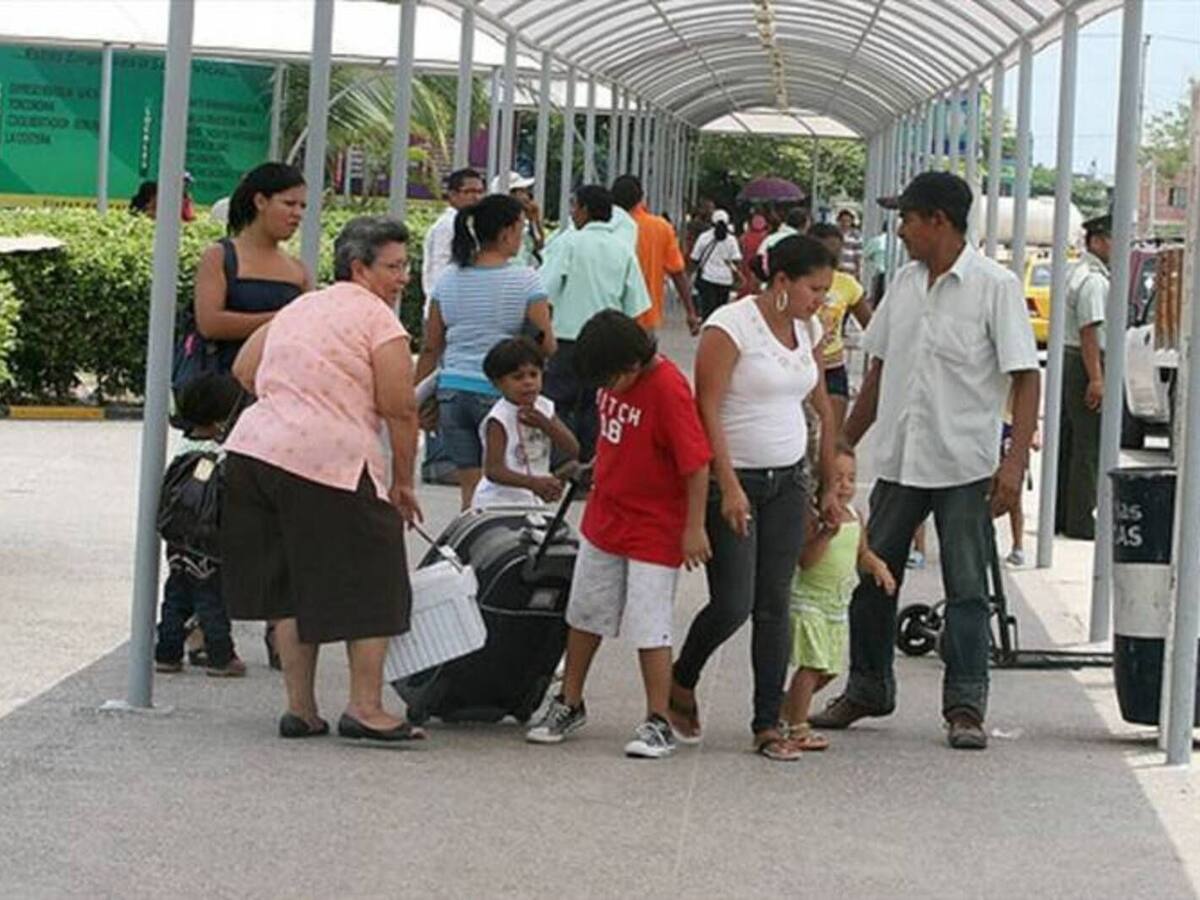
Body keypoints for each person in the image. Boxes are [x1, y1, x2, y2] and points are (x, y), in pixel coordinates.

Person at [814, 172, 1040, 750]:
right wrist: (845, 442)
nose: (901, 229)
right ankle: (868, 688)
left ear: (938, 220)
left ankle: (965, 706)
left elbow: (1025, 376)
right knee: (868, 577)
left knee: (967, 590)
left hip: (964, 465)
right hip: (901, 461)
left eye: (908, 218)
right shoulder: (905, 286)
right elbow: (880, 371)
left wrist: (1012, 467)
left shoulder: (995, 286)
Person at [221, 216, 425, 743]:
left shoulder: (300, 306)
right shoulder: (380, 322)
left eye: (407, 266)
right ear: (360, 268)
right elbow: (400, 409)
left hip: (254, 453)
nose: (404, 277)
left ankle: (301, 709)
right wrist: (403, 485)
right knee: (377, 580)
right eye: (394, 267)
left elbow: (245, 368)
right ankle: (366, 707)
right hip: (329, 460)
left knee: (290, 584)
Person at [669, 235, 840, 763]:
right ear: (781, 281)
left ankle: (767, 723)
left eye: (826, 291)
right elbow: (708, 408)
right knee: (734, 602)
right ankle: (682, 677)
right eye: (814, 289)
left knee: (775, 606)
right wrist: (729, 484)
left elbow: (821, 408)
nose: (821, 301)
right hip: (735, 478)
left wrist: (828, 479)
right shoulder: (731, 326)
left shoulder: (808, 328)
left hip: (789, 481)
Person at [526, 311, 712, 758]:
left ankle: (657, 718)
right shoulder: (616, 383)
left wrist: (693, 526)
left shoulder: (667, 390)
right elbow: (618, 437)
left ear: (630, 366)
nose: (603, 391)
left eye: (608, 380)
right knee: (585, 612)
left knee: (650, 625)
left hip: (653, 526)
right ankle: (569, 701)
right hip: (607, 516)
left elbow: (696, 463)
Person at [415, 194, 555, 509]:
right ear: (506, 233)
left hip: (452, 392)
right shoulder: (525, 280)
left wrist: (418, 398)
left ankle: (467, 553)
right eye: (520, 229)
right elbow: (547, 345)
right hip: (498, 393)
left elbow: (431, 345)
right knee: (507, 490)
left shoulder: (447, 279)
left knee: (472, 492)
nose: (521, 237)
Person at [781, 447, 896, 749]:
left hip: (837, 604)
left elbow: (861, 552)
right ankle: (797, 725)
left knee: (829, 669)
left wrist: (878, 567)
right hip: (810, 601)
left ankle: (787, 706)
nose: (845, 485)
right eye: (837, 479)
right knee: (812, 664)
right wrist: (825, 535)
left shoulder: (856, 515)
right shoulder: (814, 516)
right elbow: (805, 560)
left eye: (851, 478)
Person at [539, 184, 651, 461]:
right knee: (598, 404)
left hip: (567, 339)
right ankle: (590, 465)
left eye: (574, 206)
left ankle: (562, 461)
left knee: (560, 404)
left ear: (585, 209)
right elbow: (635, 304)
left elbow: (544, 289)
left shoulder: (568, 243)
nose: (572, 212)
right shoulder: (622, 249)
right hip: (607, 342)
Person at [155, 372, 247, 678]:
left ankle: (167, 653)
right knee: (212, 601)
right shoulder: (220, 454)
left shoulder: (182, 450)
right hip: (208, 540)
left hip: (178, 538)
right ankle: (222, 656)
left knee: (176, 596)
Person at [193, 162, 310, 374]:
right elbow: (210, 324)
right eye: (289, 203)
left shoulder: (298, 269)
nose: (297, 214)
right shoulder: (220, 256)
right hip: (223, 384)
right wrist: (281, 320)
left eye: (302, 206)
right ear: (260, 201)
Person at [473, 337, 579, 509]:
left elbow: (573, 448)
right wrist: (533, 483)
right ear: (498, 383)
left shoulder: (544, 407)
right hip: (499, 503)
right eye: (518, 377)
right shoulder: (499, 418)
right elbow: (494, 470)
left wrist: (546, 425)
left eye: (534, 374)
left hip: (533, 502)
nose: (528, 382)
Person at [1055, 213, 1110, 541]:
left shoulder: (1076, 272)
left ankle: (1062, 514)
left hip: (1072, 360)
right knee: (1088, 445)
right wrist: (1097, 379)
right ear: (1099, 240)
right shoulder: (1094, 281)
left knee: (1071, 442)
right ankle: (1080, 520)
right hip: (1086, 362)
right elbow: (1089, 331)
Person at [611, 174, 700, 336]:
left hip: (607, 316)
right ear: (641, 197)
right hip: (645, 316)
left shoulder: (604, 226)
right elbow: (677, 272)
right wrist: (690, 312)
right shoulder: (660, 227)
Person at [809, 223, 874, 432]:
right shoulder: (795, 283)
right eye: (824, 254)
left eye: (835, 255)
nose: (831, 261)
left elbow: (871, 326)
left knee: (831, 436)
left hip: (832, 367)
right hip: (800, 366)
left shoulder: (847, 284)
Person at [422, 168, 486, 301]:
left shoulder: (469, 223)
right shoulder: (447, 225)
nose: (476, 197)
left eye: (480, 192)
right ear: (452, 194)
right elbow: (439, 268)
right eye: (469, 192)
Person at [689, 210, 742, 320]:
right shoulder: (731, 240)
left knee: (708, 311)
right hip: (725, 280)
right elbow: (737, 259)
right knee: (721, 313)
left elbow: (694, 258)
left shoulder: (704, 237)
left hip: (707, 278)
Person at [491, 172, 544, 267]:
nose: (527, 196)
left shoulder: (524, 220)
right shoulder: (497, 221)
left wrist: (534, 220)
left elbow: (539, 245)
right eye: (522, 191)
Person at [737, 212, 770, 297]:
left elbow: (740, 251)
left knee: (746, 284)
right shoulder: (766, 237)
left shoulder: (744, 237)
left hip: (746, 263)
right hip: (759, 264)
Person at [836, 208, 863, 280]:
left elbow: (858, 256)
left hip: (850, 271)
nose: (845, 223)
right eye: (843, 221)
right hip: (837, 270)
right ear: (838, 221)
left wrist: (858, 272)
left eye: (848, 221)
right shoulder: (834, 234)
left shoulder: (856, 236)